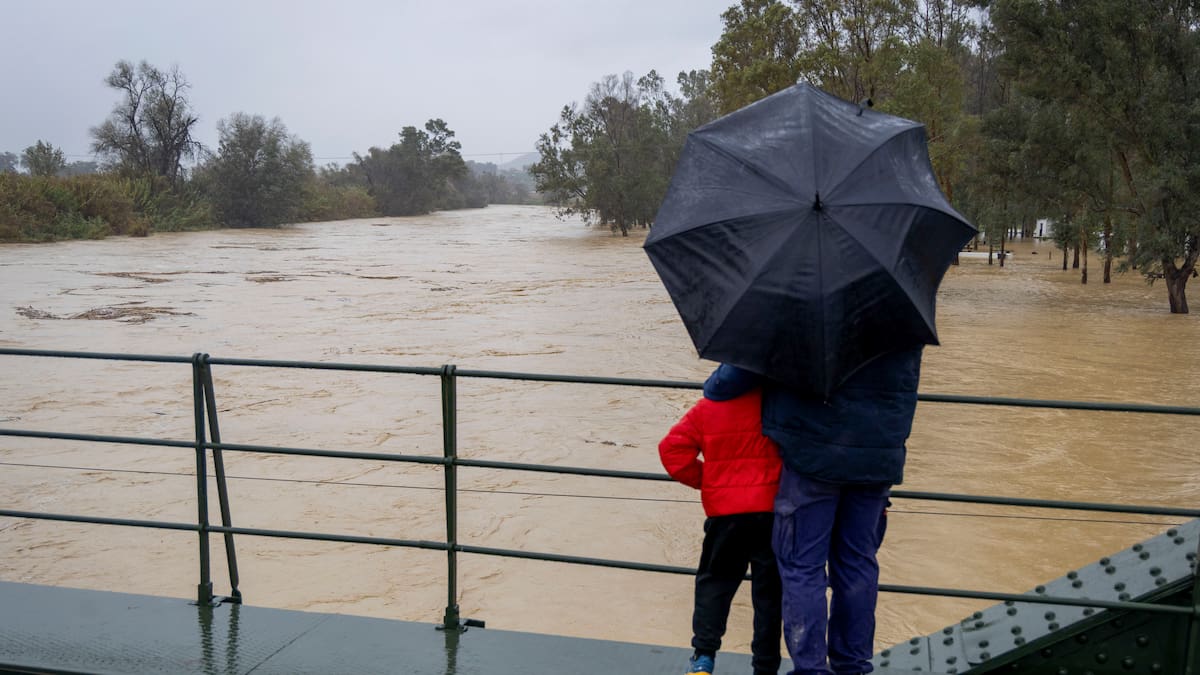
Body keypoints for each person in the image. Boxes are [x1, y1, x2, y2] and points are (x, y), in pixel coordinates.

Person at [703, 347, 923, 675]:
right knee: (858, 564)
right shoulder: (901, 309)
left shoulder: (797, 304)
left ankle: (811, 670)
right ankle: (852, 666)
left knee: (802, 566)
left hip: (812, 457)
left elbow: (724, 384)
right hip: (878, 457)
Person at [659, 384, 784, 675]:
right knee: (769, 594)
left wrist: (710, 482)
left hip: (725, 514)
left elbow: (672, 450)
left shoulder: (708, 406)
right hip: (772, 511)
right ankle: (765, 667)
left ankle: (704, 656)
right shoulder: (779, 405)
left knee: (715, 583)